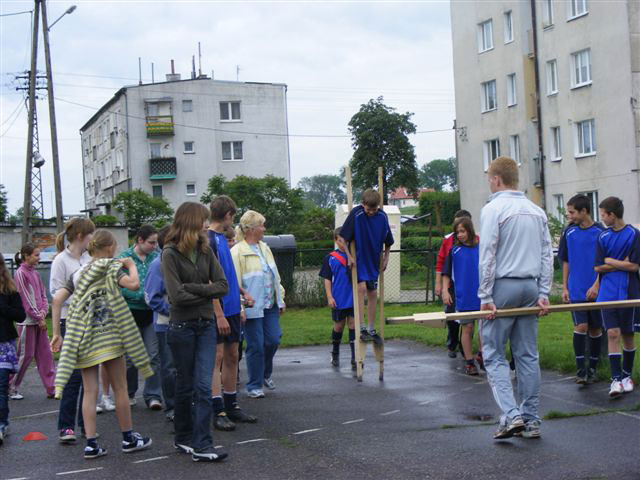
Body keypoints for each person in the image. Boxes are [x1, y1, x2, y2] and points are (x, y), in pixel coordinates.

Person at [51, 230, 153, 459]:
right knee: (120, 388)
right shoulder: (110, 267)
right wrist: (130, 265)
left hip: (84, 337)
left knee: (89, 391)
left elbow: (57, 299)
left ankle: (91, 443)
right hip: (109, 335)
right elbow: (134, 285)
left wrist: (57, 333)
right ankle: (128, 437)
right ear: (109, 248)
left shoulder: (78, 274)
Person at [478, 157, 552, 440]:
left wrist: (485, 295)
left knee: (493, 353)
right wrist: (543, 292)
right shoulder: (536, 210)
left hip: (503, 288)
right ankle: (531, 420)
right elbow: (547, 254)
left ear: (496, 180)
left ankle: (512, 415)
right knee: (527, 355)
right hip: (530, 287)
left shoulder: (493, 208)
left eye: (489, 179)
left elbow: (488, 256)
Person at [162, 202, 229, 462]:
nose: (206, 225)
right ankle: (184, 438)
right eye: (203, 220)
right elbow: (175, 296)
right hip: (181, 327)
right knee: (185, 385)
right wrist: (203, 289)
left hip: (205, 325)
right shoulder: (169, 253)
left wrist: (194, 288)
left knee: (203, 385)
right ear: (191, 221)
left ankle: (202, 444)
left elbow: (222, 285)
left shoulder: (205, 248)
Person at [208, 196, 258, 431]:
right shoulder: (208, 240)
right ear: (228, 215)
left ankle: (232, 405)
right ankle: (217, 409)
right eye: (233, 215)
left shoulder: (222, 239)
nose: (233, 221)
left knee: (232, 355)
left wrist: (241, 291)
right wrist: (218, 313)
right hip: (217, 310)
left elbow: (225, 274)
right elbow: (209, 279)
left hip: (231, 307)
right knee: (216, 358)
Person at [50, 217, 95, 444]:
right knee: (73, 375)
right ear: (80, 236)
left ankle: (86, 425)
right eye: (90, 236)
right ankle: (66, 426)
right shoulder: (61, 260)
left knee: (89, 375)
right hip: (71, 320)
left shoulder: (89, 258)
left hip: (90, 321)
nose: (91, 240)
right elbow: (56, 293)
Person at [231, 210, 285, 399]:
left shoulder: (265, 248)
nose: (264, 228)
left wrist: (281, 299)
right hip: (252, 307)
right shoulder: (237, 251)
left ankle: (264, 374)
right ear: (252, 229)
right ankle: (253, 385)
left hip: (269, 304)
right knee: (256, 346)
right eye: (262, 225)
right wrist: (240, 307)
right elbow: (234, 283)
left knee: (273, 340)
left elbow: (274, 276)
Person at [593, 196, 640, 397]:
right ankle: (615, 380)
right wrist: (620, 262)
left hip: (629, 291)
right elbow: (597, 266)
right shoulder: (602, 237)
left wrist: (610, 261)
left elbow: (634, 266)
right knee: (612, 333)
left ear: (612, 214)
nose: (602, 218)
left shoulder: (634, 235)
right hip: (607, 293)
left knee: (628, 335)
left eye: (603, 214)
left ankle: (626, 376)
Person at [558, 194, 604, 384]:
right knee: (581, 327)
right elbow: (565, 261)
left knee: (595, 329)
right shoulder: (568, 232)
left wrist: (597, 285)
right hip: (576, 289)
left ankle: (593, 368)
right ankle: (580, 370)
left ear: (584, 211)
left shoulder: (601, 232)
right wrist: (565, 287)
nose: (569, 216)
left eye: (572, 212)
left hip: (597, 289)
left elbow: (604, 261)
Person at [339, 189, 393, 344]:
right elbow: (343, 238)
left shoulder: (382, 216)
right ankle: (361, 327)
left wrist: (386, 258)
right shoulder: (357, 214)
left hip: (373, 260)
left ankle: (371, 328)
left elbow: (388, 241)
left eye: (374, 210)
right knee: (361, 289)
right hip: (358, 259)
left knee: (373, 292)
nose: (371, 212)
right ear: (363, 205)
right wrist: (349, 257)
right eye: (368, 209)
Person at [119, 225, 162, 410]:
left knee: (153, 355)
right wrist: (136, 295)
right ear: (140, 240)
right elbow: (118, 284)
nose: (154, 246)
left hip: (151, 313)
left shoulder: (157, 256)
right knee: (130, 358)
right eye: (151, 242)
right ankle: (129, 393)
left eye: (156, 242)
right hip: (130, 313)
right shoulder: (124, 258)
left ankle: (153, 395)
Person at [9, 243, 55, 399]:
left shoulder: (35, 273)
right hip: (27, 322)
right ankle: (11, 386)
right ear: (26, 256)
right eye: (36, 254)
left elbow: (43, 295)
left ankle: (52, 388)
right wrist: (38, 317)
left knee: (45, 355)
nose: (38, 257)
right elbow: (26, 300)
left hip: (38, 320)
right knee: (25, 356)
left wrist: (42, 314)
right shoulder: (21, 273)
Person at [442, 217, 482, 376]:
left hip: (481, 294)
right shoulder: (454, 251)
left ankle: (482, 355)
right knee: (468, 327)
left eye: (462, 231)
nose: (459, 235)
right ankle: (469, 360)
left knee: (484, 329)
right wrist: (445, 291)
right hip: (463, 296)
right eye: (457, 232)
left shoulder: (481, 248)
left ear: (470, 230)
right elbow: (446, 273)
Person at [144, 226, 175, 421]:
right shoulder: (158, 264)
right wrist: (172, 311)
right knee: (169, 366)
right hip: (166, 324)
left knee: (183, 366)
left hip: (182, 322)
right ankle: (171, 406)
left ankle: (184, 402)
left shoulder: (177, 261)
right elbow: (151, 297)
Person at [435, 210, 472, 359]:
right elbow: (441, 262)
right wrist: (440, 285)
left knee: (468, 319)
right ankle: (452, 343)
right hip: (451, 284)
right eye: (457, 228)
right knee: (451, 315)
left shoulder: (476, 241)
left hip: (467, 285)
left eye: (463, 228)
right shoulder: (448, 241)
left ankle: (465, 348)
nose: (460, 232)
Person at [319, 227, 355, 369]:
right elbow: (327, 279)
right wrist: (329, 297)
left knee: (353, 325)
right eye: (341, 240)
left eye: (346, 240)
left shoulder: (354, 256)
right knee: (339, 326)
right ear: (335, 240)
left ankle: (354, 357)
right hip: (338, 297)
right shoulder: (330, 258)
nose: (344, 243)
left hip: (353, 297)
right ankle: (335, 352)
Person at [0, 253, 26, 446]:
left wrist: (2, 306)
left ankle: (1, 423)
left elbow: (20, 315)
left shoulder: (10, 291)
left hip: (3, 344)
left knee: (1, 387)